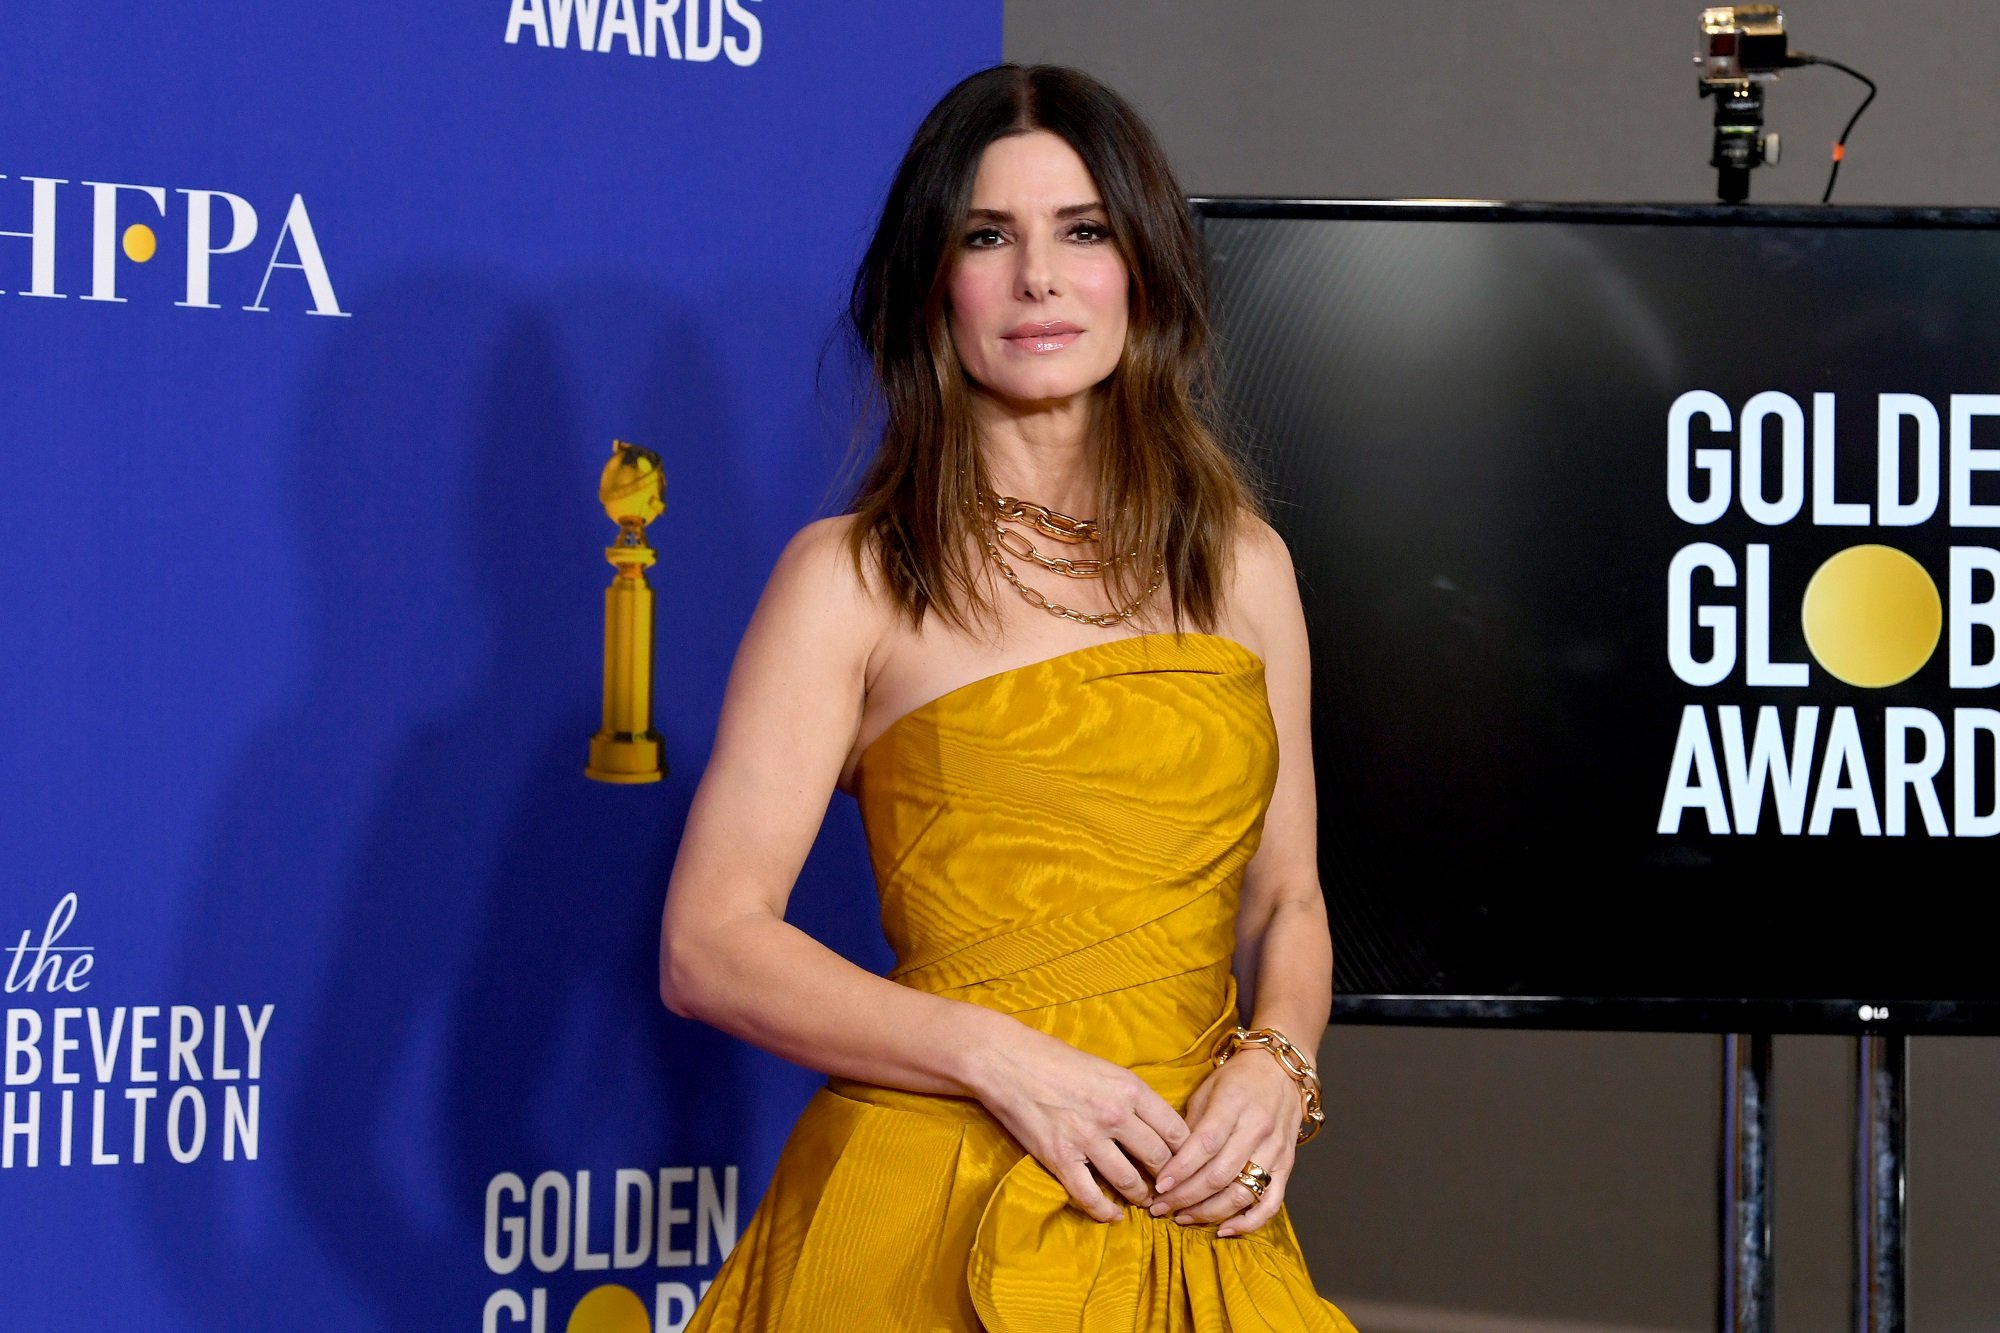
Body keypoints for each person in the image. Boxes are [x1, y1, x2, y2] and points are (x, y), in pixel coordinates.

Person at [660, 63, 1355, 1332]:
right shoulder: (851, 578)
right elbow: (708, 944)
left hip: (1183, 1206)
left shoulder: (1243, 564)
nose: (1038, 278)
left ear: (1139, 268)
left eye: (1081, 231)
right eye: (989, 236)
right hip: (918, 1216)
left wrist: (1279, 1057)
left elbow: (1289, 897)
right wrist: (997, 1058)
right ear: (936, 282)